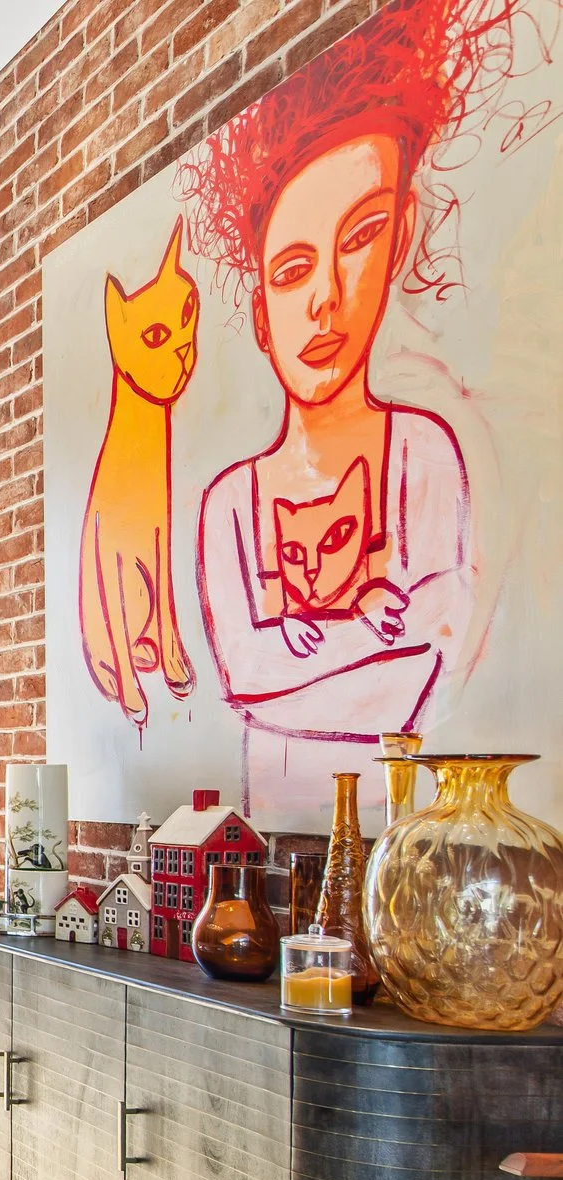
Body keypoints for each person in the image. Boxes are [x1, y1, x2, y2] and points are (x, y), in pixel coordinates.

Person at [181, 0, 515, 742]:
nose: (328, 296)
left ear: (398, 242)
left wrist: (297, 653)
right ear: (263, 315)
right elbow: (241, 670)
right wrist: (368, 632)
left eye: (360, 237)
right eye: (294, 268)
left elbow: (439, 639)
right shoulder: (229, 505)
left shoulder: (424, 456)